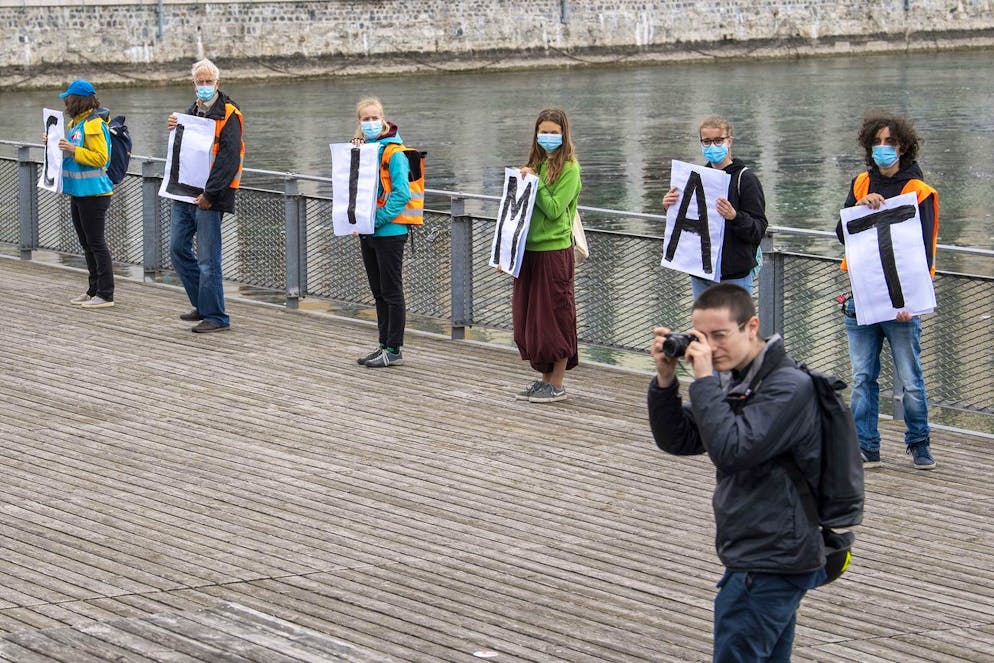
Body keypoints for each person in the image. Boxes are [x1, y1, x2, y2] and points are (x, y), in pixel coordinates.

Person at [647, 283, 825, 662]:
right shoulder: (741, 379)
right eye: (702, 337)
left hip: (770, 556)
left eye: (720, 335)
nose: (711, 348)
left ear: (752, 326)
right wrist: (665, 381)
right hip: (763, 550)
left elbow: (732, 451)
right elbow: (679, 439)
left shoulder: (788, 387)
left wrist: (705, 379)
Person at [835, 112, 938, 470]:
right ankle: (866, 446)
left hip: (901, 302)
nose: (882, 149)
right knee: (863, 377)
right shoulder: (861, 183)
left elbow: (923, 251)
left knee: (910, 379)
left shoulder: (918, 191)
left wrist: (913, 302)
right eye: (876, 142)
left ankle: (919, 443)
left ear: (903, 146)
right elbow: (842, 232)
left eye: (889, 142)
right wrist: (856, 206)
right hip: (863, 296)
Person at [168, 58, 244, 333]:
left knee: (208, 258)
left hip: (211, 197)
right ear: (193, 84)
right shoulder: (190, 112)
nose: (203, 86)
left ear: (217, 83)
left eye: (208, 82)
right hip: (185, 193)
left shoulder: (230, 114)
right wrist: (174, 130)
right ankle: (202, 303)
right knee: (177, 249)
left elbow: (229, 159)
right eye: (199, 82)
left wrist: (210, 195)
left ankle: (217, 316)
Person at [511, 107, 581, 403]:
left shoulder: (570, 169)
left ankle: (558, 382)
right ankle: (544, 380)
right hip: (530, 250)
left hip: (554, 251)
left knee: (557, 315)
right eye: (544, 132)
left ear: (563, 134)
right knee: (533, 318)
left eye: (554, 132)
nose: (548, 137)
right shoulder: (536, 164)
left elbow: (553, 210)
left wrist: (534, 185)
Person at [662, 115, 768, 298]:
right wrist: (670, 206)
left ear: (729, 142)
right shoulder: (695, 178)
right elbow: (686, 220)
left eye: (718, 140)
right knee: (703, 327)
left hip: (734, 275)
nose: (712, 146)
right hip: (700, 271)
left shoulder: (746, 179)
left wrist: (735, 216)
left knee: (735, 326)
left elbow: (759, 229)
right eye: (707, 141)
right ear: (701, 143)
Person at [351, 97, 417, 368]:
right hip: (368, 230)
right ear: (359, 123)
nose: (370, 123)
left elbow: (402, 193)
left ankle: (394, 348)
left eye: (374, 118)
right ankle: (382, 344)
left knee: (391, 290)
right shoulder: (362, 150)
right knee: (378, 291)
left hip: (389, 230)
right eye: (365, 119)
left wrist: (375, 220)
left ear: (384, 119)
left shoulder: (395, 153)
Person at [52, 80, 115, 309]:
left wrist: (73, 149)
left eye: (68, 98)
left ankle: (106, 294)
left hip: (95, 194)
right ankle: (92, 290)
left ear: (77, 100)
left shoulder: (93, 125)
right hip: (79, 192)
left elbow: (101, 158)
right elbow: (70, 156)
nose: (66, 102)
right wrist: (53, 144)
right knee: (86, 243)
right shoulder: (75, 124)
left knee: (96, 243)